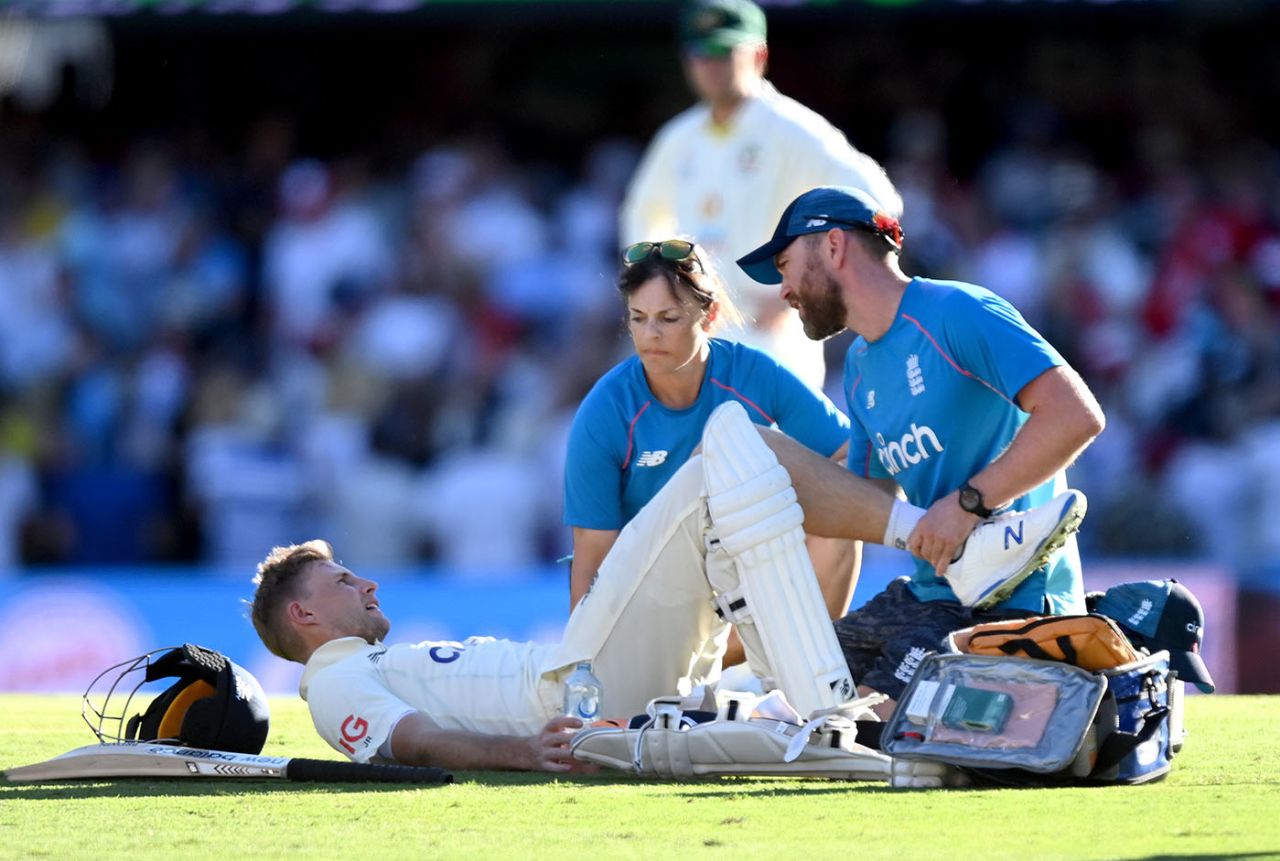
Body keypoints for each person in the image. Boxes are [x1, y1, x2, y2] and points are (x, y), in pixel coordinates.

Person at [250, 401, 1084, 772]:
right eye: (338, 578)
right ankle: (835, 679)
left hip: (597, 679)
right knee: (727, 438)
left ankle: (814, 688)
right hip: (583, 684)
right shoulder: (331, 681)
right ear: (303, 614)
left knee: (730, 498)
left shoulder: (365, 663)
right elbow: (409, 742)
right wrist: (521, 753)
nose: (363, 580)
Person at [735, 184, 1106, 714]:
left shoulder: (958, 311)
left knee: (856, 725)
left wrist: (968, 503)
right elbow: (861, 504)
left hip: (1013, 601)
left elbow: (1076, 416)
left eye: (786, 264)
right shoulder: (860, 366)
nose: (785, 290)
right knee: (792, 700)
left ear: (834, 247)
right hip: (929, 596)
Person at [565, 238, 858, 637]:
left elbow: (852, 453)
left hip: (748, 578)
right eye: (638, 318)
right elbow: (593, 551)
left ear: (710, 315)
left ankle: (813, 677)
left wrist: (792, 506)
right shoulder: (606, 410)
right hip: (653, 602)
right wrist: (583, 666)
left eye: (668, 318)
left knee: (839, 522)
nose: (650, 333)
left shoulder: (755, 372)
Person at [620, 0, 901, 391]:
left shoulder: (791, 128)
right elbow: (642, 213)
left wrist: (808, 281)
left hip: (770, 331)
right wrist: (660, 293)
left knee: (774, 449)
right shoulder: (679, 137)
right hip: (699, 331)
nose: (711, 64)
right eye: (699, 52)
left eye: (724, 51)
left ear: (759, 54)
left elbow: (877, 201)